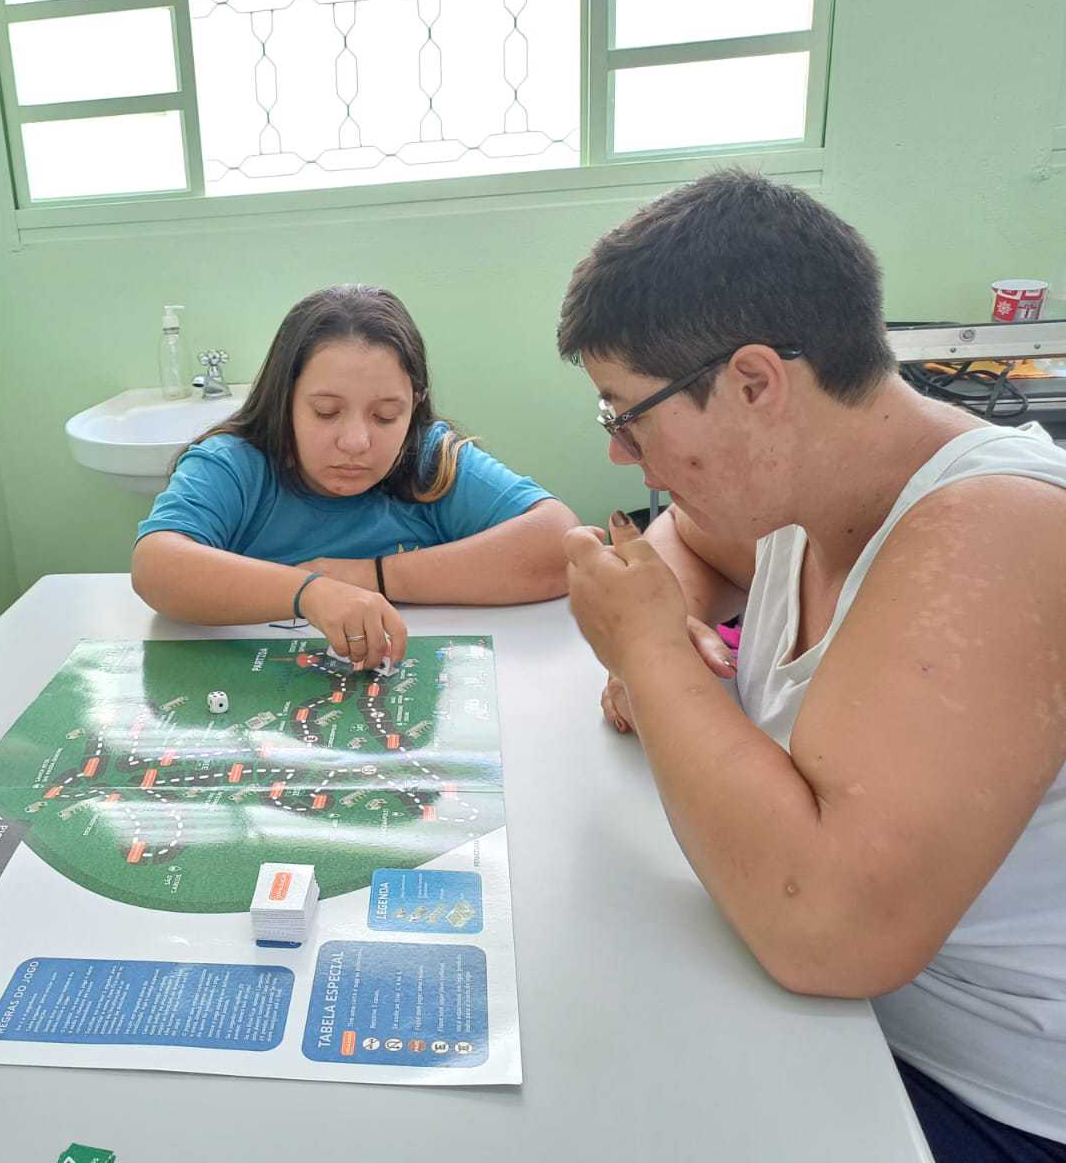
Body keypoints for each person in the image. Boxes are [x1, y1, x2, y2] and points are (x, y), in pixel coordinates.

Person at [557, 170, 1066, 1161]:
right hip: (839, 1034)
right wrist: (672, 614)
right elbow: (684, 542)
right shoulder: (800, 493)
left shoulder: (999, 529)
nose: (620, 453)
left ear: (754, 384)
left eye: (626, 412)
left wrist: (650, 653)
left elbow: (829, 935)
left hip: (980, 1101)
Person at [132, 284, 577, 667]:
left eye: (386, 416)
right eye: (326, 412)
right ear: (285, 400)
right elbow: (156, 565)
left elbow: (562, 544)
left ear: (415, 404)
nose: (356, 442)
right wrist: (311, 592)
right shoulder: (235, 464)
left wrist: (371, 577)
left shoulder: (429, 461)